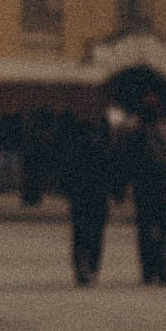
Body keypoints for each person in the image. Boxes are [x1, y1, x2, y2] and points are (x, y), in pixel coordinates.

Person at [59, 111, 115, 286]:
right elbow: (111, 174)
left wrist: (67, 194)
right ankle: (92, 269)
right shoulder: (104, 149)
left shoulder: (75, 149)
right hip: (99, 197)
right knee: (97, 235)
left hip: (80, 197)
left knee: (79, 235)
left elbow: (67, 175)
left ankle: (79, 269)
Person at [127, 111, 166, 289]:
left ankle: (148, 271)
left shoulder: (136, 133)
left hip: (143, 190)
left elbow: (128, 160)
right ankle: (163, 269)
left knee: (145, 232)